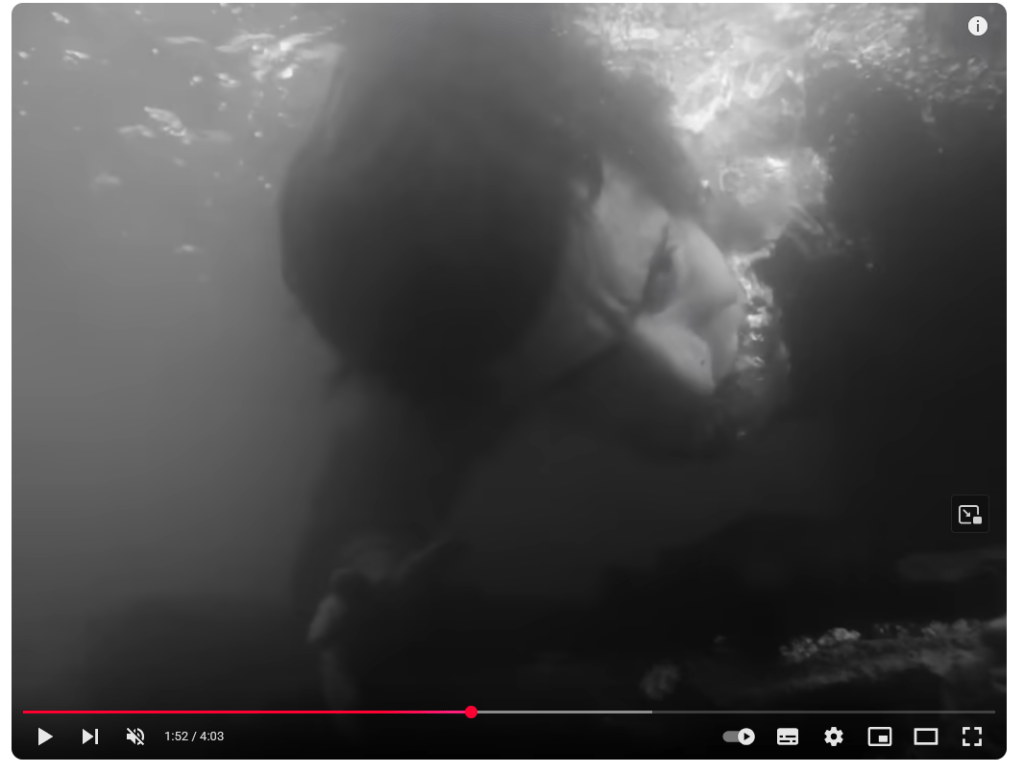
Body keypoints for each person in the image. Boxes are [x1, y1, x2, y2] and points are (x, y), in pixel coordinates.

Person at [278, 6, 843, 724]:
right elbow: (367, 511)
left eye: (662, 270)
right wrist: (370, 585)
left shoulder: (817, 136)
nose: (688, 381)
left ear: (674, 166)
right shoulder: (468, 343)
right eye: (581, 376)